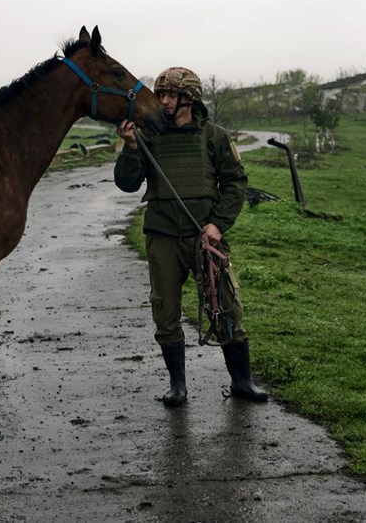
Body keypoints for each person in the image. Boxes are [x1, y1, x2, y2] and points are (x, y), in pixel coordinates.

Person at [114, 66, 268, 407]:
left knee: (226, 307)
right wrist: (129, 147)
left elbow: (235, 183)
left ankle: (242, 382)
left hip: (205, 239)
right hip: (163, 237)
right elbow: (126, 183)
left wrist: (218, 224)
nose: (164, 101)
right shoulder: (148, 135)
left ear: (189, 98)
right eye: (161, 94)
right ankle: (177, 386)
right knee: (165, 312)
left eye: (171, 95)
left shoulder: (214, 136)